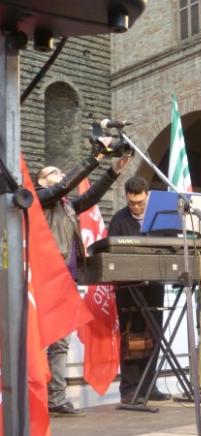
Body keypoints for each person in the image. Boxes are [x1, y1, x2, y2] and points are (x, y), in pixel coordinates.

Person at [35, 137, 130, 417]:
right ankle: (33, 397)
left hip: (66, 281)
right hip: (45, 278)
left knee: (60, 343)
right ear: (41, 182)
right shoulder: (41, 199)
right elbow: (63, 187)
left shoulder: (65, 206)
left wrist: (113, 172)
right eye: (54, 172)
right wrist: (94, 158)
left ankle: (56, 400)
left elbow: (89, 198)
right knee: (39, 341)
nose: (61, 176)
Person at [107, 176, 171, 404]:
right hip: (128, 287)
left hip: (154, 284)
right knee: (131, 336)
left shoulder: (161, 218)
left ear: (148, 197)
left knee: (154, 334)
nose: (135, 207)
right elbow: (111, 252)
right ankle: (130, 389)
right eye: (132, 203)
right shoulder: (119, 220)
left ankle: (149, 384)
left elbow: (171, 246)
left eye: (140, 203)